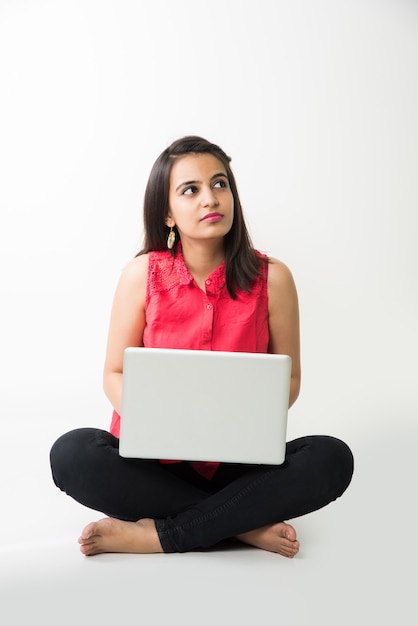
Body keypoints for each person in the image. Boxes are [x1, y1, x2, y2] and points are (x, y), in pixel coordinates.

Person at [50, 136, 354, 558]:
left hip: (238, 463)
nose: (210, 198)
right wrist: (165, 418)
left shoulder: (274, 278)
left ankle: (161, 535)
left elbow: (292, 378)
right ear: (167, 214)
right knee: (71, 453)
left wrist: (236, 417)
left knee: (332, 457)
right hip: (154, 464)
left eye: (220, 184)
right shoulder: (141, 275)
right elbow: (113, 373)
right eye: (190, 190)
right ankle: (240, 524)